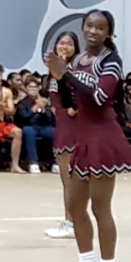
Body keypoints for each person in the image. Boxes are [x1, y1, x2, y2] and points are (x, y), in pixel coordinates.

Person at [44, 9, 131, 262]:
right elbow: (67, 97)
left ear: (109, 32)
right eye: (89, 26)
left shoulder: (111, 61)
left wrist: (65, 74)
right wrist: (58, 76)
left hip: (102, 136)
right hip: (82, 137)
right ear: (82, 28)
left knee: (100, 207)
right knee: (74, 204)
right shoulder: (80, 60)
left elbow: (98, 96)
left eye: (100, 27)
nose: (93, 31)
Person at [44, 32, 80, 240]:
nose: (64, 46)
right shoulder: (52, 71)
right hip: (61, 122)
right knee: (66, 179)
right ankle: (69, 219)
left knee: (70, 178)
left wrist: (72, 108)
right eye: (61, 43)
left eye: (69, 43)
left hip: (72, 124)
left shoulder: (72, 70)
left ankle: (72, 222)